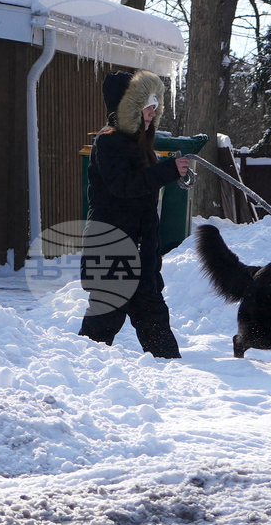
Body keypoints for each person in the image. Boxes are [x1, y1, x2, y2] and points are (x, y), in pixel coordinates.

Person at [78, 70, 190, 358]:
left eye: (155, 106)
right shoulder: (108, 142)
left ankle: (170, 375)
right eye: (146, 106)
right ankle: (79, 369)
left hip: (139, 254)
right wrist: (165, 171)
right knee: (103, 322)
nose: (152, 113)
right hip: (112, 248)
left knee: (153, 317)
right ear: (128, 108)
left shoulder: (141, 145)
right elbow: (123, 187)